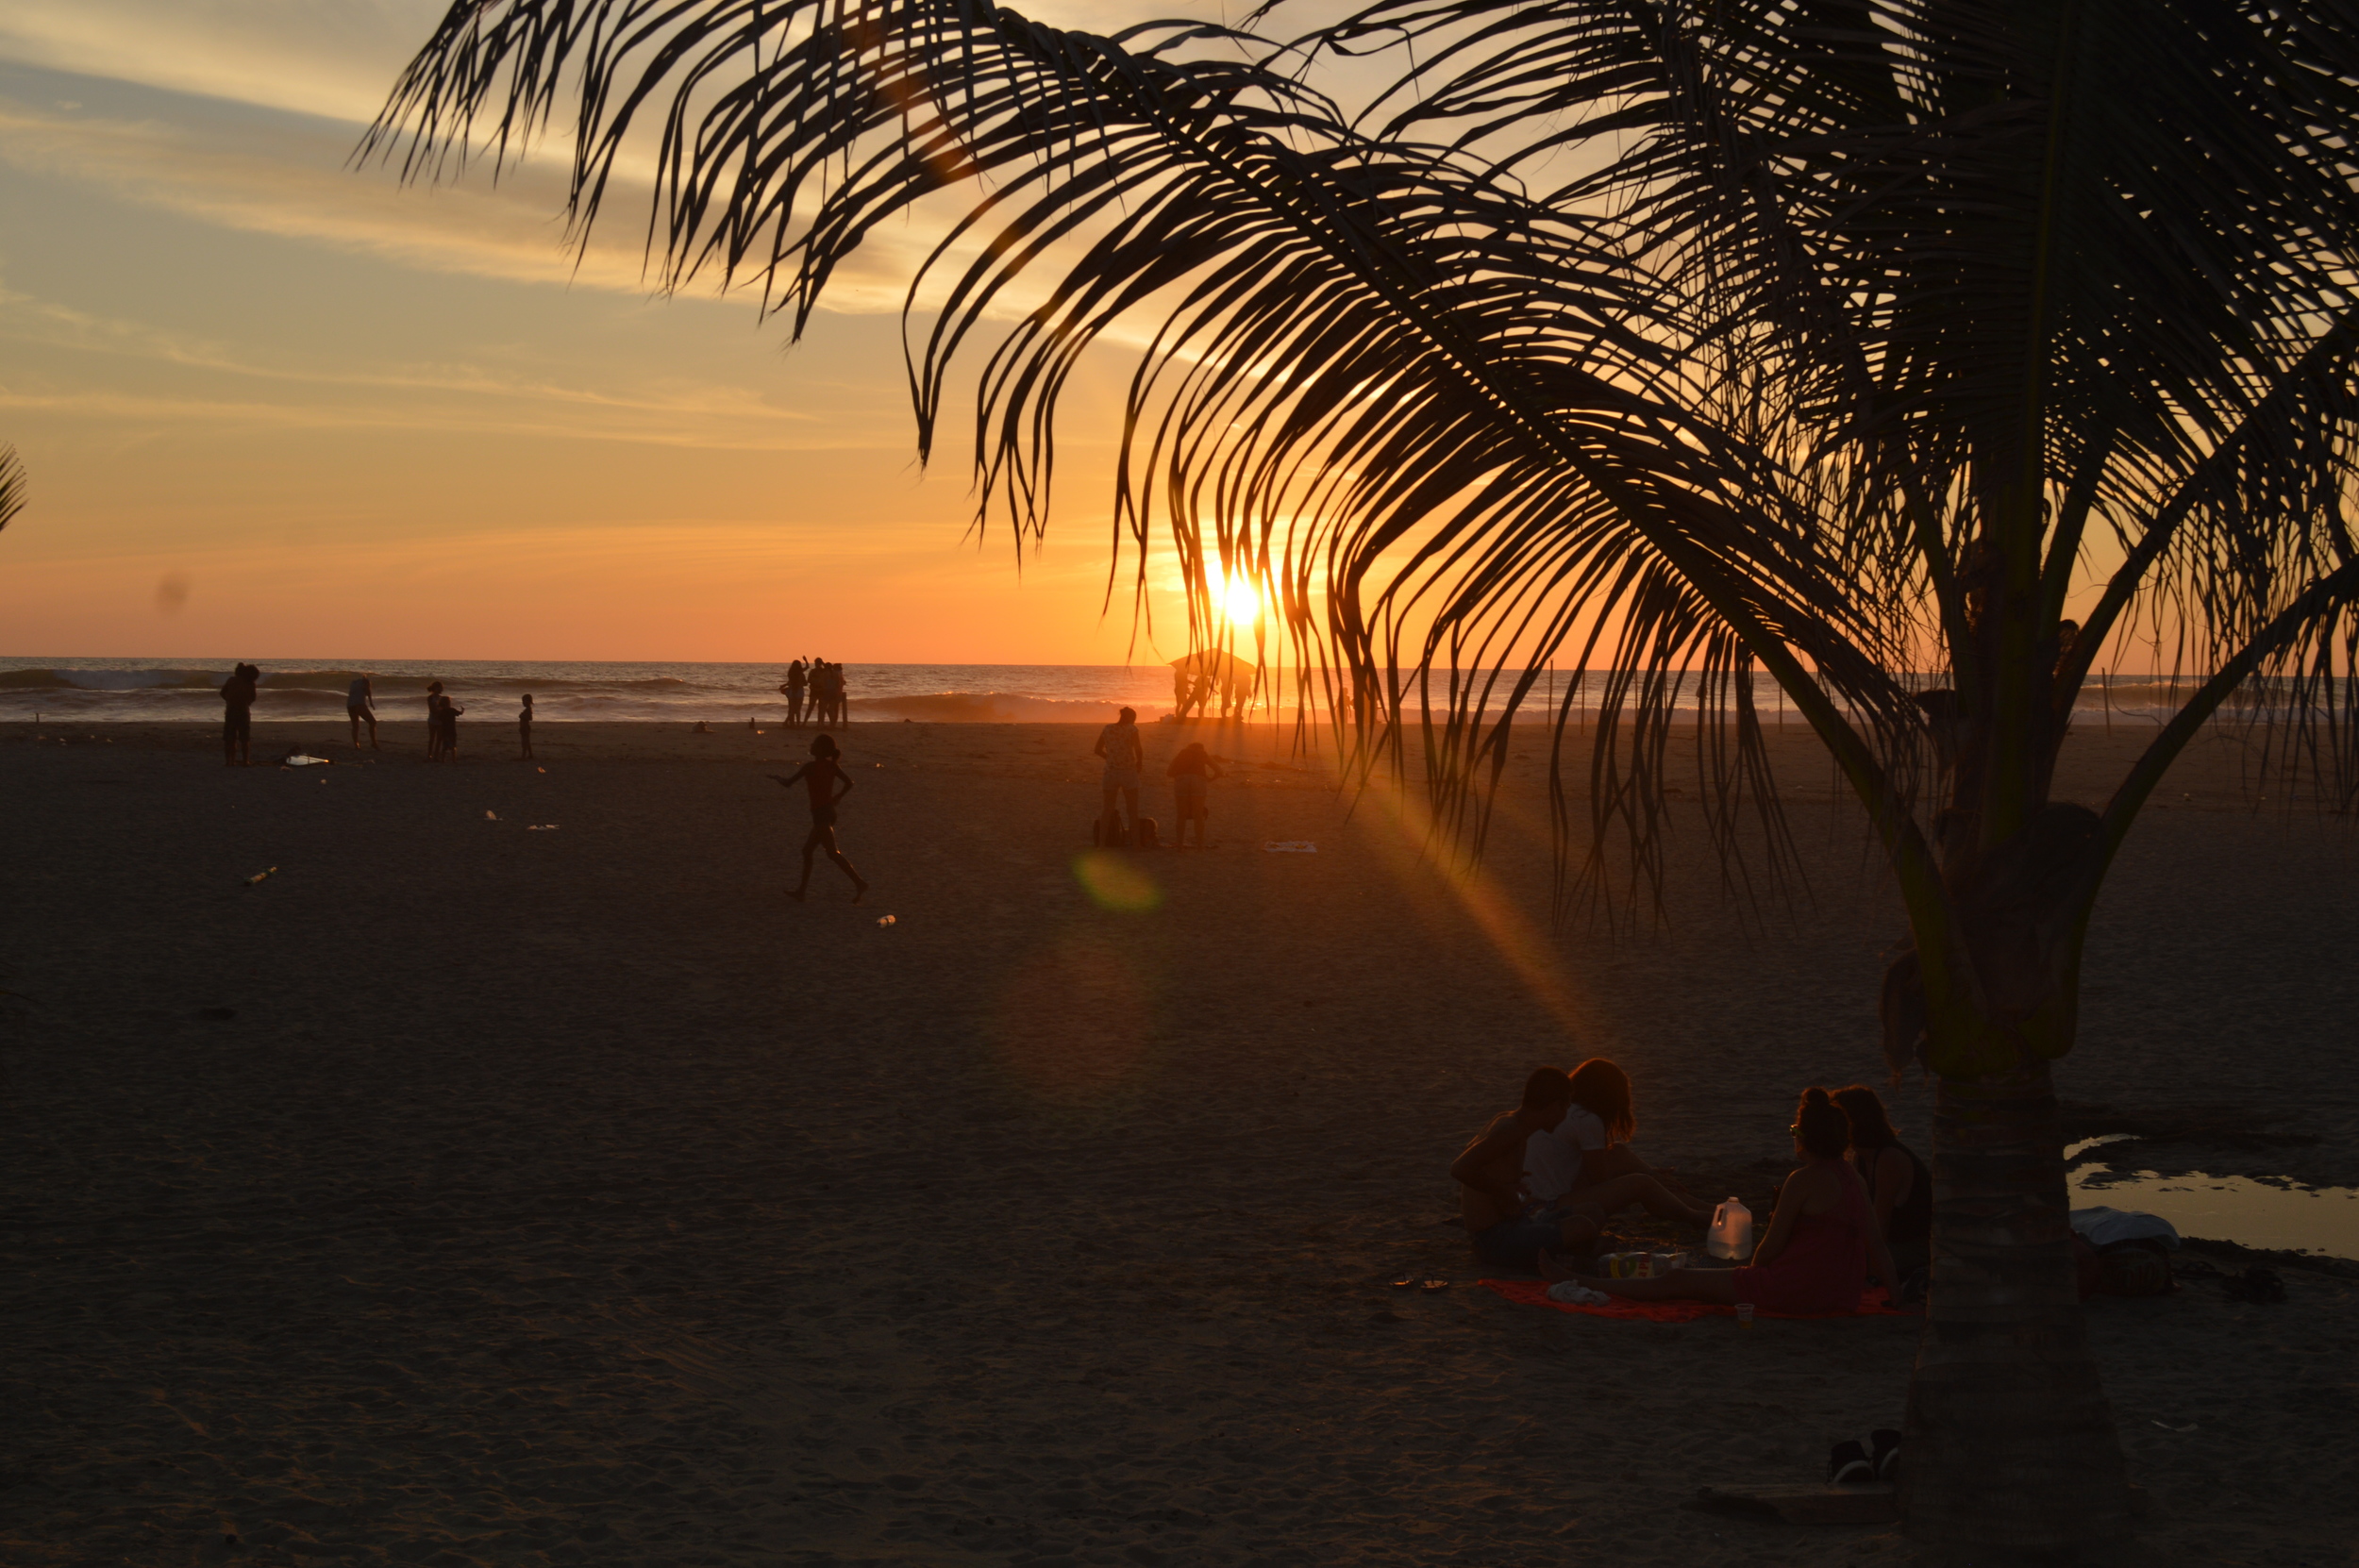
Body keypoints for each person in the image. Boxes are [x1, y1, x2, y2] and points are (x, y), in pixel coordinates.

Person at [1566, 1088, 1896, 1311]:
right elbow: (1877, 1245)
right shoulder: (1853, 1178)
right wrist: (1897, 1299)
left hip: (1800, 1290)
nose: (1794, 1138)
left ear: (1807, 1138)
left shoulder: (1804, 1179)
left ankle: (1584, 1282)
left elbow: (1769, 1249)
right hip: (1843, 1294)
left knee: (1678, 1279)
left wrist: (1746, 1276)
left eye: (1795, 1132)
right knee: (1705, 1274)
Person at [1524, 1058, 1694, 1209]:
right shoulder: (1586, 1119)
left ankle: (1686, 1200)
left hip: (1536, 1196)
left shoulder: (1567, 1111)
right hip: (1544, 1206)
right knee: (1642, 1183)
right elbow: (1600, 1182)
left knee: (1617, 1151)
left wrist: (1651, 1174)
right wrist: (1647, 1178)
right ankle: (1695, 1215)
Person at [1833, 1084, 1932, 1293]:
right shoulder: (1861, 1156)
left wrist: (1870, 1274)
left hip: (1913, 1248)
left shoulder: (1889, 1158)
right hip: (1887, 1244)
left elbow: (1880, 1227)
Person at [771, 733, 868, 902]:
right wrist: (838, 797)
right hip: (827, 813)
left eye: (814, 743)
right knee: (807, 851)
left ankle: (859, 883)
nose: (811, 745)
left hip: (822, 815)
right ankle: (801, 892)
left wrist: (777, 778)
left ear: (821, 749)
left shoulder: (810, 767)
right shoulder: (832, 766)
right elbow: (849, 783)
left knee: (832, 853)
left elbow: (788, 783)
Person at [1095, 706, 1145, 842]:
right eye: (1134, 719)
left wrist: (1110, 758)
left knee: (1107, 809)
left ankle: (1102, 845)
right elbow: (1138, 749)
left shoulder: (1108, 729)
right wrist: (1139, 763)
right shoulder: (1132, 729)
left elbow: (1097, 749)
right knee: (1132, 810)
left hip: (1110, 772)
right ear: (1130, 718)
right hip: (1128, 771)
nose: (1134, 722)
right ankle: (1136, 845)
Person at [1165, 741, 1223, 848]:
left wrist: (1181, 775)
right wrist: (1210, 779)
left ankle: (1180, 846)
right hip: (1199, 781)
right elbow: (1219, 770)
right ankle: (1200, 846)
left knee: (1181, 815)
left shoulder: (1182, 753)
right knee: (1198, 816)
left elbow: (1169, 772)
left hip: (1182, 781)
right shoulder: (1203, 754)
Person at [221, 662, 258, 767]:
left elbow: (222, 693)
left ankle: (229, 762)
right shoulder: (250, 684)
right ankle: (245, 761)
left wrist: (229, 700)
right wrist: (246, 702)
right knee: (245, 738)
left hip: (231, 711)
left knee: (230, 738)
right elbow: (253, 698)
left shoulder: (231, 680)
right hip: (243, 712)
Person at [347, 675, 377, 749]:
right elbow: (368, 691)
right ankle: (373, 743)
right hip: (359, 704)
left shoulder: (353, 683)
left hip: (349, 705)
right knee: (372, 722)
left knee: (355, 726)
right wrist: (371, 702)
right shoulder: (366, 681)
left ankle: (356, 745)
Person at [781, 659, 808, 726]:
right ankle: (798, 723)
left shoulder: (791, 673)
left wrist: (784, 685)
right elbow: (805, 683)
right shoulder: (801, 673)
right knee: (798, 709)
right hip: (799, 691)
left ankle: (790, 722)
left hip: (792, 691)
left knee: (791, 708)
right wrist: (806, 660)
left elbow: (790, 682)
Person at [518, 693, 535, 759]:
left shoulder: (528, 710)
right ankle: (530, 755)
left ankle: (523, 756)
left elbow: (530, 718)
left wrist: (522, 716)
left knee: (524, 742)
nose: (523, 703)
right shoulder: (527, 710)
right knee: (527, 742)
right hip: (523, 727)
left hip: (525, 728)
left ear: (528, 701)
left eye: (524, 701)